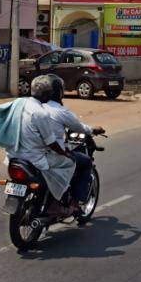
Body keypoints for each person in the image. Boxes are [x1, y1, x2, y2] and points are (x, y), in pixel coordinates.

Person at [0, 79, 76, 217]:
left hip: (13, 156)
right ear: (46, 95)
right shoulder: (40, 113)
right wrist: (64, 153)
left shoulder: (17, 104)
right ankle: (55, 202)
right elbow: (51, 142)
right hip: (34, 159)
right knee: (70, 163)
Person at [38, 74, 106, 215]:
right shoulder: (60, 111)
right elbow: (79, 127)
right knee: (85, 161)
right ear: (58, 92)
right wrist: (94, 129)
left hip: (29, 154)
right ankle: (75, 202)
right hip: (51, 154)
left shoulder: (33, 108)